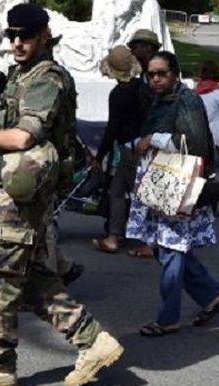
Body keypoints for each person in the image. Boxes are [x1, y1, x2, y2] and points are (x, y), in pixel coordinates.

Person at [0, 4, 123, 386]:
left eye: (25, 35)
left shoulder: (47, 79)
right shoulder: (22, 75)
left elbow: (24, 137)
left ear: (45, 35)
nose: (17, 43)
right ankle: (94, 342)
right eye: (12, 36)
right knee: (31, 282)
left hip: (25, 199)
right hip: (21, 190)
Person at [125, 51, 219, 337]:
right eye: (151, 74)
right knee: (165, 247)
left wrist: (150, 139)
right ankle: (212, 295)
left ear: (174, 73)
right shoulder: (165, 99)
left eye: (162, 73)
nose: (156, 79)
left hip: (178, 183)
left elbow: (193, 143)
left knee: (170, 249)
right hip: (163, 182)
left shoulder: (187, 100)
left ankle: (168, 317)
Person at [90, 45, 143, 253]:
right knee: (118, 190)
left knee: (129, 193)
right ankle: (113, 235)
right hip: (141, 145)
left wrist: (99, 156)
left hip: (129, 148)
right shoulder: (142, 88)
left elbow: (112, 128)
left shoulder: (118, 94)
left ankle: (137, 239)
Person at [123, 28, 162, 258]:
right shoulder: (144, 74)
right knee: (145, 192)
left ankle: (151, 241)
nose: (133, 51)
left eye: (136, 46)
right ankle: (149, 239)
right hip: (146, 139)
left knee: (151, 193)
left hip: (156, 140)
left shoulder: (155, 73)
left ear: (147, 48)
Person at [195, 60, 219, 216]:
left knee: (200, 172)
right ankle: (213, 206)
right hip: (216, 136)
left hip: (199, 136)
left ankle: (199, 202)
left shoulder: (194, 91)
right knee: (215, 172)